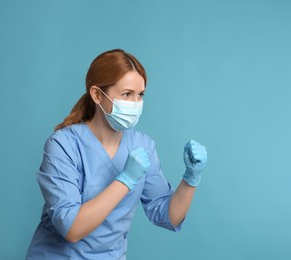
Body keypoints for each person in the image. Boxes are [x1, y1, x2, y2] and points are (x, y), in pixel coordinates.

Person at [26, 49, 208, 259]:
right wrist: (126, 179)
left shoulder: (142, 145)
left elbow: (168, 216)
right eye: (126, 94)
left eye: (140, 95)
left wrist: (191, 178)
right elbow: (71, 228)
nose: (135, 103)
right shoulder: (63, 145)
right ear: (96, 95)